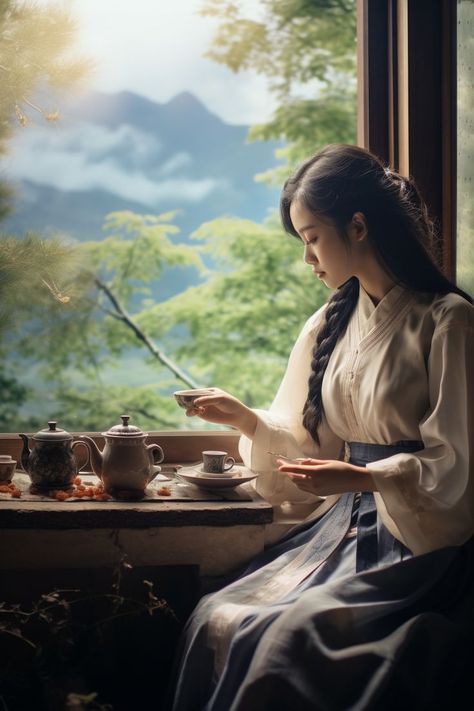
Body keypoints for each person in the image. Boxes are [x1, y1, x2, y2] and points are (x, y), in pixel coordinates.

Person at [169, 144, 474, 711]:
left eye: (311, 237)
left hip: (415, 544)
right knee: (220, 613)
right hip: (340, 530)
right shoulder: (331, 319)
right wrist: (246, 420)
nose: (307, 257)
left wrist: (366, 479)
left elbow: (457, 463)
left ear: (357, 226)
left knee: (286, 636)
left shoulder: (447, 320)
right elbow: (310, 443)